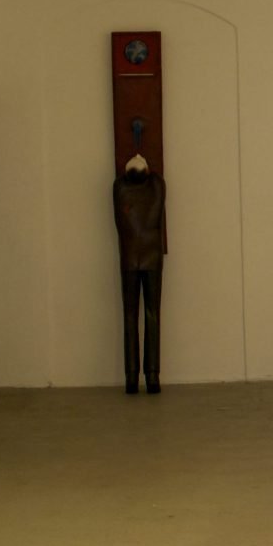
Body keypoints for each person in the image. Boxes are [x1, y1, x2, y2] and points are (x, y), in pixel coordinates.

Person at [113, 155, 167, 394]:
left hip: (129, 258)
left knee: (130, 315)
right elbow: (155, 177)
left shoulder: (119, 188)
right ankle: (152, 375)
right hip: (152, 257)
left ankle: (131, 377)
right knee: (153, 314)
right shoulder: (157, 186)